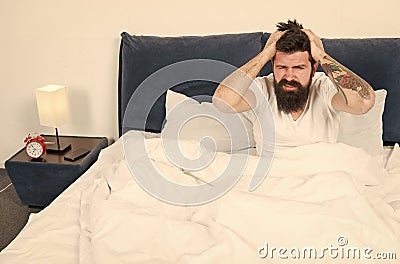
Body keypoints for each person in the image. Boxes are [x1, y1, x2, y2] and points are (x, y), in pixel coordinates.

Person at [212, 19, 375, 152]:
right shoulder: (263, 88)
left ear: (314, 68)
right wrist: (264, 55)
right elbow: (222, 102)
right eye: (281, 67)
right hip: (271, 178)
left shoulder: (324, 87)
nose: (289, 76)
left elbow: (363, 103)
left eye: (298, 68)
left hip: (321, 178)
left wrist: (322, 55)